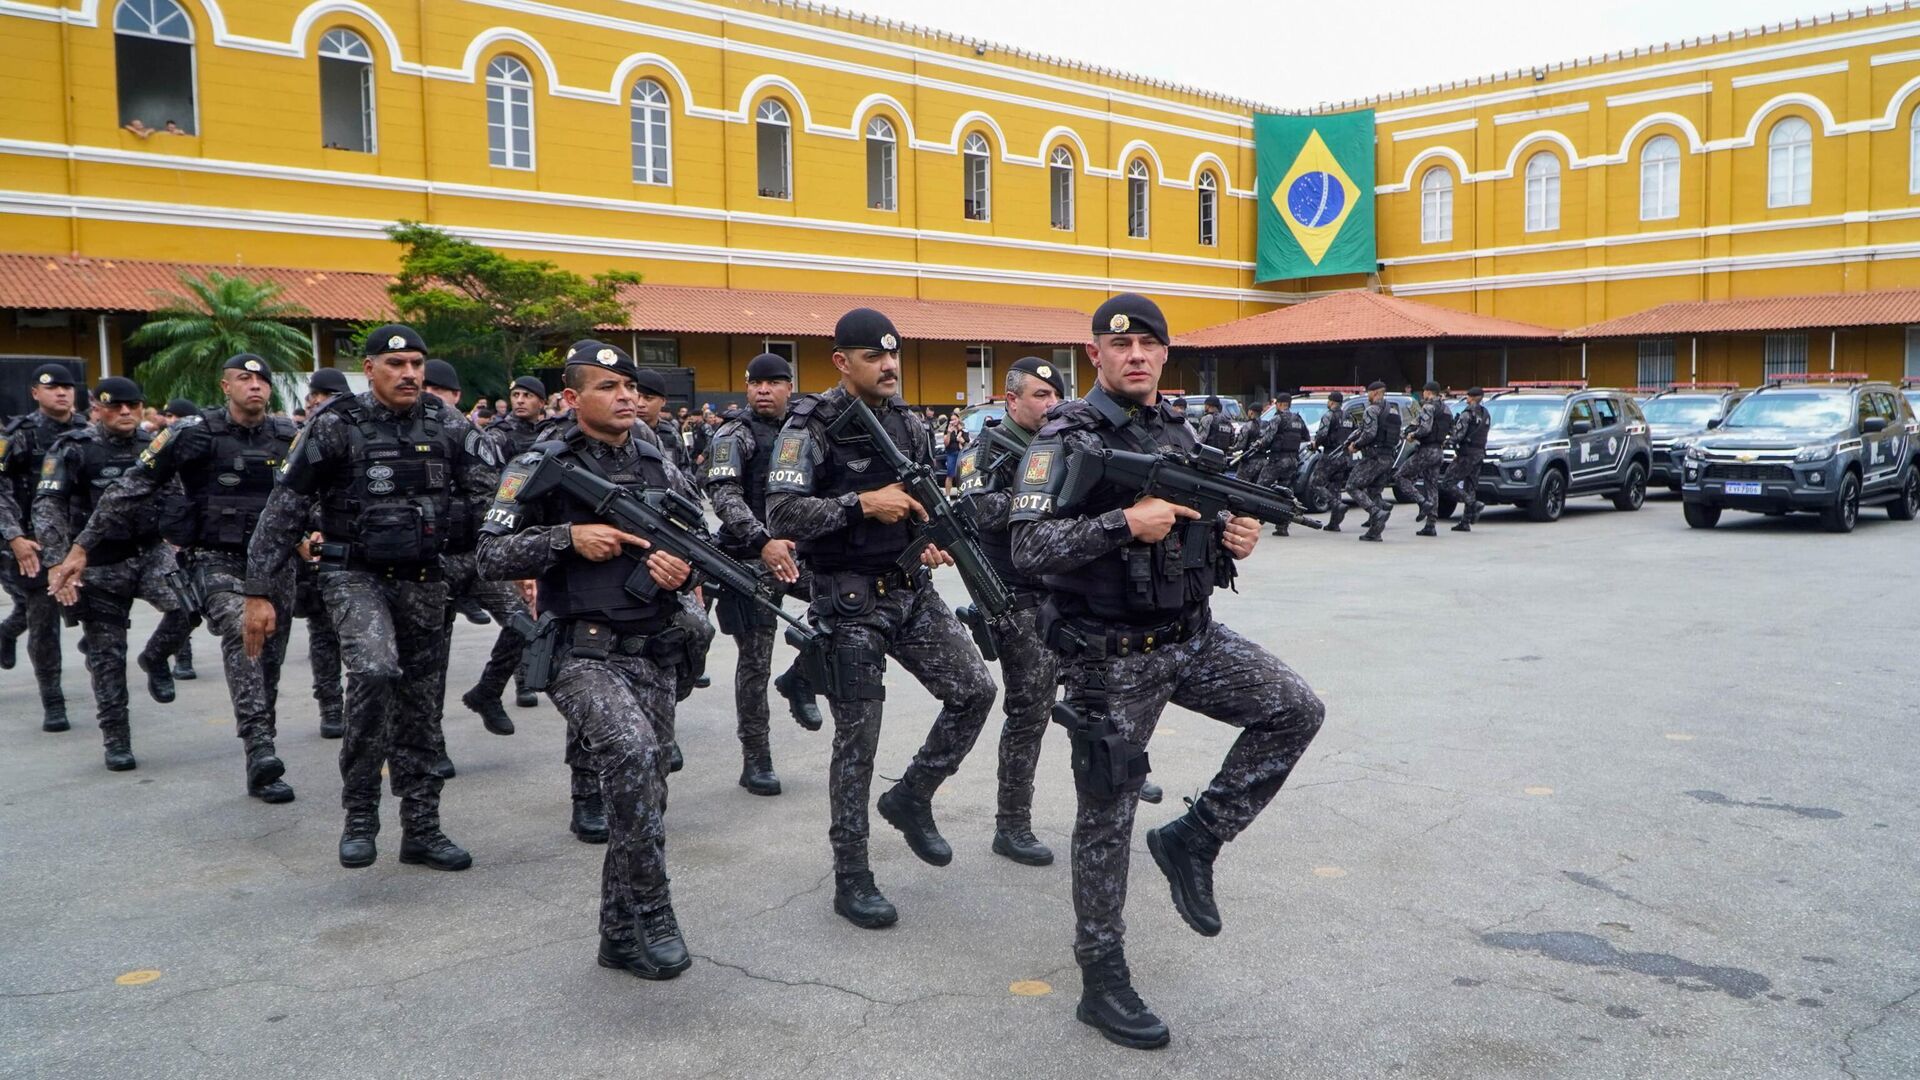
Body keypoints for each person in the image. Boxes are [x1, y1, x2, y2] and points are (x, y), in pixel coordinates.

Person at [1008, 294, 1325, 1050]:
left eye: (1150, 344)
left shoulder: (1176, 427)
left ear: (1165, 355)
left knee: (1294, 709)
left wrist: (1233, 537)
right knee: (1106, 820)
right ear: (1095, 355)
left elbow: (1193, 539)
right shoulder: (1062, 434)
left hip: (1190, 637)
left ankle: (1196, 836)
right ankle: (1101, 977)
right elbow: (1027, 550)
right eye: (1122, 346)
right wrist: (1124, 521)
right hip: (1109, 660)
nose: (1137, 355)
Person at [765, 308, 996, 930]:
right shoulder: (809, 425)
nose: (889, 366)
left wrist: (931, 536)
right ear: (843, 362)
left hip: (909, 589)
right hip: (847, 600)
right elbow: (783, 514)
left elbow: (921, 504)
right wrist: (860, 503)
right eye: (874, 357)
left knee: (974, 691)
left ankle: (912, 795)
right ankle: (852, 874)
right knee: (858, 742)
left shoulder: (908, 423)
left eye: (894, 355)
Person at [477, 339, 699, 980]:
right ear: (572, 399)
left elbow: (696, 544)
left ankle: (616, 935)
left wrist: (678, 570)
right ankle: (654, 911)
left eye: (629, 385)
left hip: (651, 646)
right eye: (608, 386)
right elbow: (488, 555)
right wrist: (566, 538)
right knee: (629, 755)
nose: (626, 395)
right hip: (580, 649)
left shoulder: (658, 457)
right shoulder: (538, 462)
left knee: (646, 789)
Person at [241, 325, 499, 871]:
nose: (409, 373)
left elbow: (490, 502)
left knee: (422, 706)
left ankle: (422, 829)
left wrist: (497, 563)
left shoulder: (447, 422)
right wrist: (259, 591)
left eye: (417, 363)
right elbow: (284, 509)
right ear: (370, 367)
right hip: (354, 575)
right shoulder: (335, 424)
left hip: (427, 579)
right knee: (376, 671)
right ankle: (360, 813)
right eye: (396, 363)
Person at [49, 356, 297, 801]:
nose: (255, 386)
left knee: (269, 661)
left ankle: (262, 758)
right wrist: (81, 546)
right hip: (214, 558)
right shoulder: (192, 432)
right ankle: (260, 749)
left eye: (262, 379)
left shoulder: (289, 436)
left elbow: (317, 494)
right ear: (226, 386)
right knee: (245, 633)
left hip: (275, 564)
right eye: (245, 378)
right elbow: (130, 487)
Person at [953, 356, 1165, 866]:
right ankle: (1012, 824)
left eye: (1055, 397)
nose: (1051, 405)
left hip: (1065, 590)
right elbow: (974, 511)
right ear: (1011, 401)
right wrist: (1039, 497)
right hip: (1013, 594)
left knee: (1105, 684)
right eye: (1039, 397)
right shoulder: (987, 449)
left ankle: (1123, 772)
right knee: (1030, 710)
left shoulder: (1069, 441)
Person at [34, 377, 194, 771]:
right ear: (98, 409)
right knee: (107, 656)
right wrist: (58, 561)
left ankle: (156, 659)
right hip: (99, 561)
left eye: (133, 405)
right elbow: (48, 505)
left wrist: (181, 536)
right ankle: (117, 739)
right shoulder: (73, 449)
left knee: (187, 606)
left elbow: (177, 493)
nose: (125, 412)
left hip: (150, 550)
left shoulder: (152, 447)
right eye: (116, 406)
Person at [703, 352, 823, 796]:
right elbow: (725, 495)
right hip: (747, 560)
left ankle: (802, 679)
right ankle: (756, 758)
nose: (763, 390)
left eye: (773, 383)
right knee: (754, 662)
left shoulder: (803, 430)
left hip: (799, 557)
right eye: (756, 383)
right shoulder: (734, 433)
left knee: (856, 609)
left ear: (789, 387)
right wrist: (761, 541)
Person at [414, 360, 535, 749]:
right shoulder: (400, 440)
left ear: (456, 397)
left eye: (439, 392)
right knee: (433, 660)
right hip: (430, 565)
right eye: (424, 390)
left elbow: (500, 501)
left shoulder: (474, 440)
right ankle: (431, 743)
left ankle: (488, 689)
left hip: (478, 557)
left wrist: (516, 557)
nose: (430, 398)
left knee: (524, 625)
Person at [0, 364, 86, 730]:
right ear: (36, 393)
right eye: (52, 388)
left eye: (67, 387)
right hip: (34, 542)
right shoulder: (19, 436)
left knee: (96, 612)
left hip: (82, 540)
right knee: (43, 620)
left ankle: (4, 634)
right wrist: (14, 537)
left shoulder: (88, 432)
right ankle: (52, 698)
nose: (62, 394)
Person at [295, 368, 351, 738]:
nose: (323, 402)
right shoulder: (302, 438)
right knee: (323, 633)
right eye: (319, 396)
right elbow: (288, 497)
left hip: (348, 545)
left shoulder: (353, 435)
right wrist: (303, 534)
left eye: (331, 395)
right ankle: (331, 705)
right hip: (312, 549)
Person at [1395, 381, 1451, 538]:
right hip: (1439, 450)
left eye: (1424, 392)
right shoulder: (1446, 409)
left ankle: (1421, 502)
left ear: (1428, 392)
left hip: (1426, 450)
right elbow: (1450, 429)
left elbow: (1425, 428)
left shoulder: (1428, 407)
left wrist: (1413, 435)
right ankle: (1431, 525)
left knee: (1400, 476)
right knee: (1432, 486)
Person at [1345, 381, 1400, 542]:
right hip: (1388, 457)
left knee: (1352, 486)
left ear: (1375, 393)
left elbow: (1369, 433)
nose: (1367, 396)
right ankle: (1375, 531)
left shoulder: (1371, 410)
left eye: (1368, 393)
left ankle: (1376, 512)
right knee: (1374, 492)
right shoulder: (1393, 410)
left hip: (1374, 457)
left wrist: (1355, 445)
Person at [1255, 394, 1310, 536]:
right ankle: (1282, 526)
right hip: (1293, 461)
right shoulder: (1298, 419)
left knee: (1260, 487)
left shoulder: (1277, 418)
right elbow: (1306, 437)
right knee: (1285, 492)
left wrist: (1258, 444)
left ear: (1279, 404)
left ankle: (1257, 520)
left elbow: (1267, 439)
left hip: (1277, 460)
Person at [1307, 390, 1354, 533]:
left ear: (1332, 402)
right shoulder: (1349, 417)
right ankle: (1334, 523)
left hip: (1331, 455)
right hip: (1345, 457)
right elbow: (1355, 433)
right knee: (1335, 487)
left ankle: (1336, 504)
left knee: (1315, 483)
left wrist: (1315, 444)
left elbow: (1322, 434)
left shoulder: (1329, 415)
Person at [1445, 387, 1491, 532]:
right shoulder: (1485, 414)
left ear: (1470, 397)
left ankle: (1473, 503)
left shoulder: (1467, 414)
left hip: (1466, 454)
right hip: (1479, 453)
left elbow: (1458, 435)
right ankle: (1465, 521)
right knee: (1470, 485)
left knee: (1447, 482)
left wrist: (1447, 440)